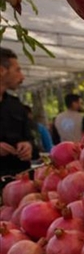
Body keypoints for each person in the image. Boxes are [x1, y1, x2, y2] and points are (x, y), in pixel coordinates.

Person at [0, 47, 34, 191]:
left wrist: (28, 146)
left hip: (19, 183)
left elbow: (29, 138)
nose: (22, 77)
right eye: (17, 70)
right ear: (1, 70)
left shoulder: (16, 105)